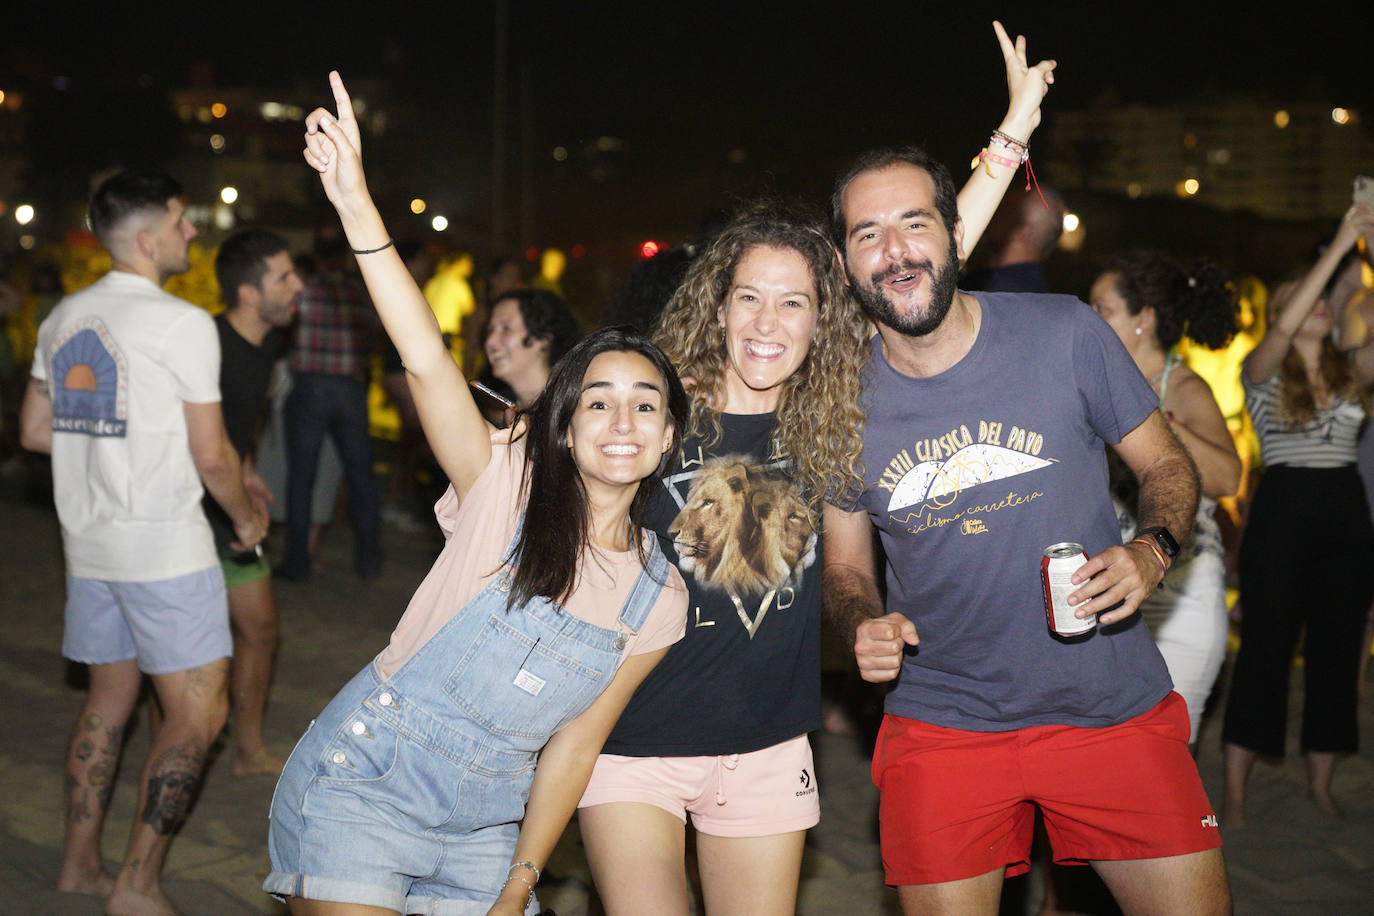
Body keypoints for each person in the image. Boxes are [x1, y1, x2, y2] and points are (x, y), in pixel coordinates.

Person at [577, 23, 1057, 916]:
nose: (767, 323)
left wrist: (1014, 129)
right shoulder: (657, 407)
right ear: (717, 307)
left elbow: (919, 260)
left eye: (793, 301)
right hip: (629, 736)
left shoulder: (834, 415)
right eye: (748, 297)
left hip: (765, 747)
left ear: (821, 316)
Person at [266, 72, 690, 916]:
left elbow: (575, 750)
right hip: (367, 785)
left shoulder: (661, 597)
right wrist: (356, 204)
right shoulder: (506, 480)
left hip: (490, 832)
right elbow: (425, 358)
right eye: (597, 401)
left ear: (670, 437)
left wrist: (520, 884)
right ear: (564, 425)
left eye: (646, 406)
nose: (621, 420)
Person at [821, 142, 1232, 912]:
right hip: (944, 724)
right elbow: (846, 567)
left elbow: (1168, 466)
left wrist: (1152, 549)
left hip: (1108, 708)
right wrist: (862, 624)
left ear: (954, 234)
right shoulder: (838, 399)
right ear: (844, 264)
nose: (895, 250)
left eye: (914, 223)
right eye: (867, 233)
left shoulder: (1064, 334)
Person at [19, 169, 268, 915]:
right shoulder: (181, 323)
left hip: (91, 548)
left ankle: (78, 867)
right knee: (198, 714)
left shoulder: (64, 317)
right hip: (165, 550)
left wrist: (108, 440)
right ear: (150, 237)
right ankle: (136, 883)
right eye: (183, 220)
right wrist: (247, 521)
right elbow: (214, 456)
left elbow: (33, 431)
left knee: (108, 702)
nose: (194, 231)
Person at [1221, 205, 1374, 826]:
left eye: (1319, 300)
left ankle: (1320, 785)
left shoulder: (1353, 370)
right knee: (1265, 651)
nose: (1310, 305)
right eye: (1295, 298)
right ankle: (1233, 795)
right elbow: (1280, 332)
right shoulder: (1258, 371)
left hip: (1345, 513)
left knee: (1338, 654)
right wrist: (1341, 243)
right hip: (1283, 513)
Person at [1089, 251, 1240, 744]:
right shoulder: (1094, 387)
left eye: (1102, 309)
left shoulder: (1185, 387)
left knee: (1167, 759)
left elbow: (1228, 477)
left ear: (1144, 319)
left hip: (1184, 598)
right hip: (1109, 596)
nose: (1090, 321)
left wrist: (1158, 426)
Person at [210, 228, 303, 775]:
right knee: (190, 651)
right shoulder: (210, 343)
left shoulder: (266, 342)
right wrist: (239, 507)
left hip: (227, 503)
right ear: (249, 292)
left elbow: (229, 423)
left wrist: (246, 469)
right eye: (284, 277)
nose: (298, 286)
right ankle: (182, 747)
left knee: (261, 629)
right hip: (196, 515)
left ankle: (245, 751)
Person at [278, 225, 383, 582]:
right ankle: (369, 560)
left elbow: (284, 329)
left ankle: (297, 563)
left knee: (301, 478)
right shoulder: (358, 291)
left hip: (308, 386)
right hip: (349, 388)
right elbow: (374, 332)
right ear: (344, 255)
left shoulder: (301, 291)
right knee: (360, 478)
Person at [484, 287, 580, 408]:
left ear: (543, 340)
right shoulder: (496, 411)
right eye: (490, 331)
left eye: (506, 329)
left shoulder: (570, 411)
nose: (490, 342)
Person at [961, 183, 1065, 293]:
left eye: (1002, 211)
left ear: (1024, 232)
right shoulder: (1037, 295)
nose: (991, 216)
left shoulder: (989, 291)